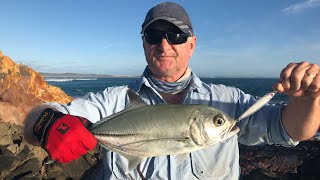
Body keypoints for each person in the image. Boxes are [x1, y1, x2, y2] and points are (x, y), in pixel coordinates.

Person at [24, 2, 320, 179]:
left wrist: (308, 99)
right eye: (154, 35)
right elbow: (42, 116)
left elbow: (291, 129)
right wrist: (47, 122)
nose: (164, 45)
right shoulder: (114, 100)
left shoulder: (227, 101)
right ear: (143, 44)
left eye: (176, 35)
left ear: (192, 44)